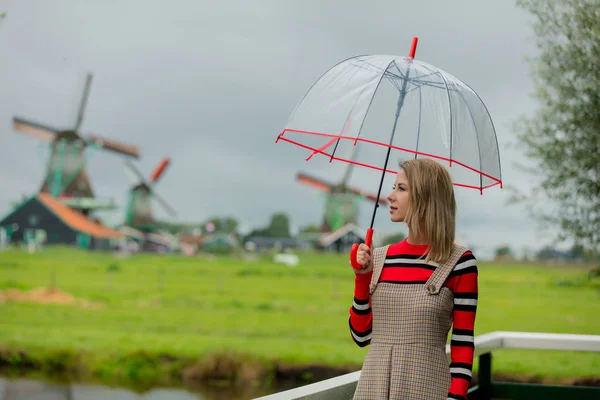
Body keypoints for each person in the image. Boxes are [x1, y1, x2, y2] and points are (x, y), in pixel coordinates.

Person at [349, 158, 478, 400]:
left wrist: (456, 397)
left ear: (426, 197)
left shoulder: (461, 263)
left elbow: (463, 344)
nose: (390, 196)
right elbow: (361, 336)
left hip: (428, 390)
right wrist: (361, 279)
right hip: (372, 390)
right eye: (393, 187)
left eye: (401, 188)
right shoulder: (379, 258)